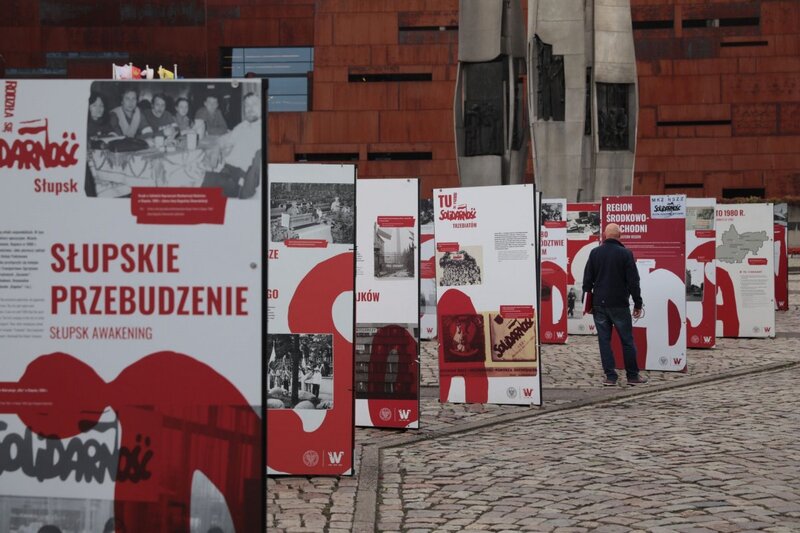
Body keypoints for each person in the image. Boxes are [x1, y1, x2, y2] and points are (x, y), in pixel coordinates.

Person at [582, 223, 648, 387]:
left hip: (600, 304)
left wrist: (589, 300)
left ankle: (610, 377)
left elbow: (586, 281)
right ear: (620, 235)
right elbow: (634, 282)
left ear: (605, 235)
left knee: (604, 341)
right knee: (627, 340)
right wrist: (638, 303)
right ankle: (632, 376)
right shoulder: (626, 254)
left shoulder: (595, 253)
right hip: (619, 304)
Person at [201, 92, 261, 197]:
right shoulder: (243, 126)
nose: (249, 108)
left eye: (254, 104)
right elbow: (224, 139)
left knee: (195, 180)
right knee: (191, 171)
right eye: (247, 105)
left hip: (239, 179)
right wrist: (216, 148)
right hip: (226, 170)